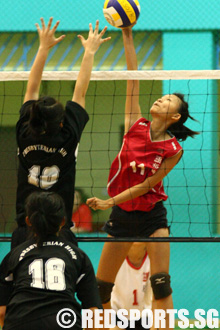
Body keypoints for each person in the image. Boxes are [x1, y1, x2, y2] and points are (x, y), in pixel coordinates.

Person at [87, 26, 198, 330]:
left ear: (175, 117)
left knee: (161, 284)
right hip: (123, 216)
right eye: (161, 98)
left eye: (167, 102)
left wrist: (109, 200)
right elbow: (132, 78)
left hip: (152, 216)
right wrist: (127, 35)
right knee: (99, 289)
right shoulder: (134, 124)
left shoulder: (173, 149)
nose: (161, 101)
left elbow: (147, 185)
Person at [12, 18, 111, 249]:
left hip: (25, 226)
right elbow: (81, 90)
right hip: (59, 227)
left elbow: (31, 87)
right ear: (60, 123)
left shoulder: (24, 131)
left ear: (33, 116)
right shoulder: (68, 136)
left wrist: (42, 47)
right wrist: (89, 52)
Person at [0, 191, 102, 330]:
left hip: (21, 322)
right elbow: (95, 315)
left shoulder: (13, 256)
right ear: (63, 222)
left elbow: (1, 313)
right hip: (64, 322)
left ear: (28, 221)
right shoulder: (79, 256)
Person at [111, 243, 152, 330]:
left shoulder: (153, 259)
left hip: (145, 318)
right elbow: (102, 290)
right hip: (117, 315)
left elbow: (160, 296)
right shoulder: (113, 256)